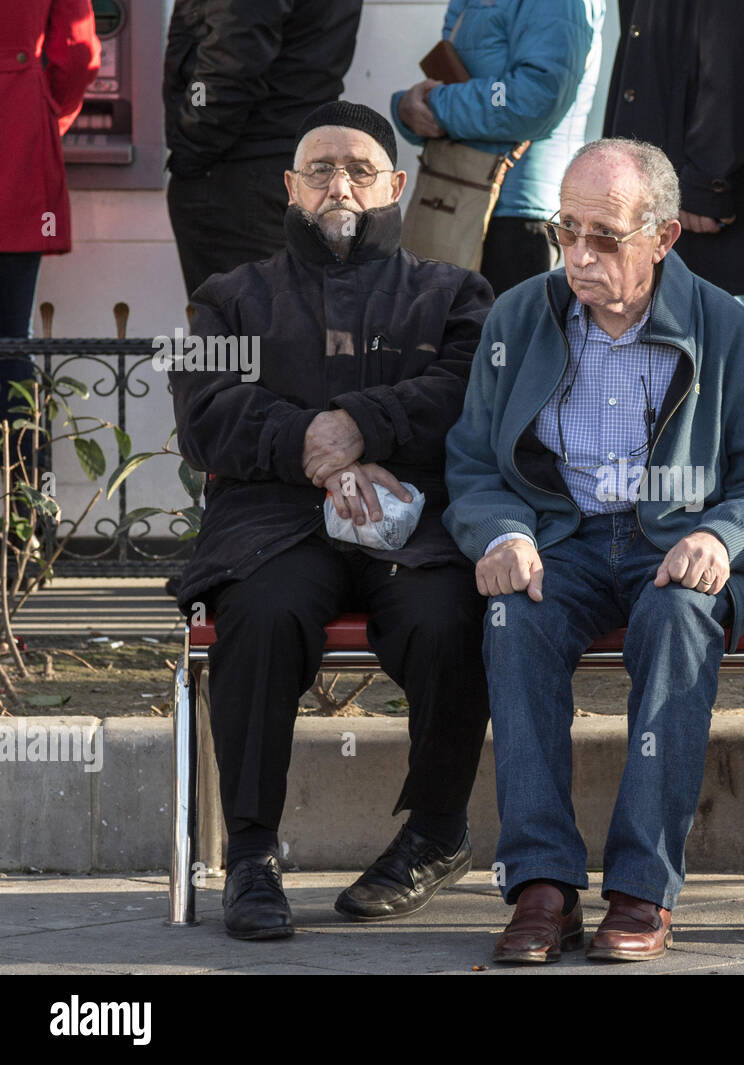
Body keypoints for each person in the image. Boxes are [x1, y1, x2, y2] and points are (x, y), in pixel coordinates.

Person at [444, 137, 744, 963]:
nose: (578, 255)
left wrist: (720, 534)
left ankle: (641, 888)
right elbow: (473, 461)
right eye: (564, 231)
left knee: (680, 619)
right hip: (563, 536)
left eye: (604, 237)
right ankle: (541, 884)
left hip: (675, 543)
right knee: (514, 619)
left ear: (664, 235)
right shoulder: (519, 318)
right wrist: (505, 533)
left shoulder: (727, 328)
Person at [169, 102, 495, 940]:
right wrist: (312, 440)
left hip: (411, 522)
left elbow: (469, 395)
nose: (338, 184)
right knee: (261, 611)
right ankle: (249, 854)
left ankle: (435, 831)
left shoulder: (456, 293)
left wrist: (365, 425)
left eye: (358, 168)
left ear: (395, 184)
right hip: (273, 521)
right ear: (290, 189)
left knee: (446, 615)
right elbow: (203, 413)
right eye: (319, 169)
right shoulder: (226, 297)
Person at [602, 0, 744, 322]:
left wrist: (707, 180)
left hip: (725, 215)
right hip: (672, 193)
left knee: (727, 355)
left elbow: (739, 57)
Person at [393, 0, 604, 297]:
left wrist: (437, 104)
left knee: (501, 338)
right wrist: (408, 109)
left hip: (517, 219)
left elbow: (530, 98)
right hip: (464, 197)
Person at [164, 0, 364, 298]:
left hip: (239, 176)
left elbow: (226, 69)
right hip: (294, 165)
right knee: (288, 327)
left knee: (245, 335)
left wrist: (191, 142)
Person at [1, 0, 99, 471]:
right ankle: (23, 514)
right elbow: (77, 53)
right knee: (11, 344)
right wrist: (43, 117)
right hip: (13, 142)